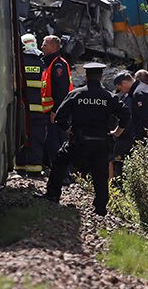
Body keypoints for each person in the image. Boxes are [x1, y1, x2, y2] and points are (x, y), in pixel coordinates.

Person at [37, 62, 130, 216]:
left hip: (79, 142)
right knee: (100, 174)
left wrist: (69, 131)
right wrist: (117, 132)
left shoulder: (76, 94)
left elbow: (60, 117)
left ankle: (53, 194)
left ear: (86, 76)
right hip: (100, 143)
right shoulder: (108, 97)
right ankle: (100, 208)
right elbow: (125, 114)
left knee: (60, 161)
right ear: (100, 77)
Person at [110, 71, 148, 177]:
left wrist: (140, 140)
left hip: (146, 138)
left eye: (119, 87)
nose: (120, 91)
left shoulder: (139, 94)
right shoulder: (143, 88)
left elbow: (144, 120)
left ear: (124, 83)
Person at [16, 34, 48, 176]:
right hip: (39, 110)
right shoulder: (42, 63)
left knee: (21, 136)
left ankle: (20, 167)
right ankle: (34, 169)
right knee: (36, 138)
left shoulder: (18, 62)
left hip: (21, 110)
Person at [40, 35, 72, 170]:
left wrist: (55, 111)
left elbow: (62, 90)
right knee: (53, 143)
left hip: (56, 112)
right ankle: (60, 173)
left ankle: (62, 174)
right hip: (50, 111)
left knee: (55, 144)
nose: (41, 46)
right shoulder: (50, 63)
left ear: (54, 47)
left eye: (45, 44)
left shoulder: (58, 64)